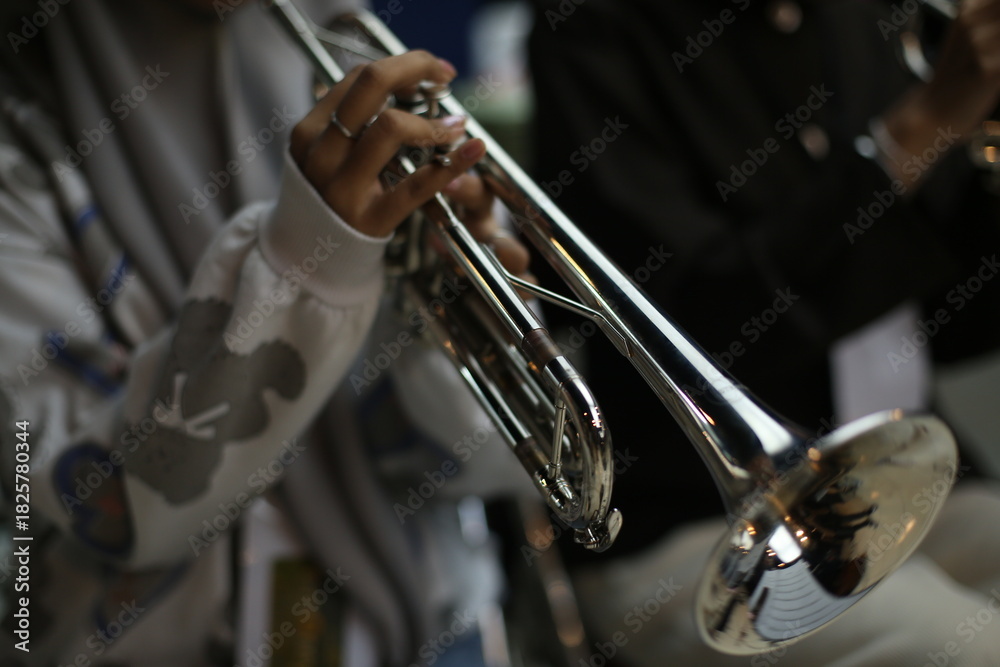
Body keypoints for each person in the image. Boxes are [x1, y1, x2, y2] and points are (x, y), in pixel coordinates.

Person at [0, 0, 536, 665]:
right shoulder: (19, 132)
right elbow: (94, 501)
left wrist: (454, 314)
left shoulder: (343, 46)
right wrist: (309, 261)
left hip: (439, 627)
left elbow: (482, 463)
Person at [528, 0, 1000, 664]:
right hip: (700, 522)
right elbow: (703, 331)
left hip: (903, 481)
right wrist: (918, 129)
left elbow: (956, 320)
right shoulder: (595, 29)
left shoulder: (866, 15)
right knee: (969, 648)